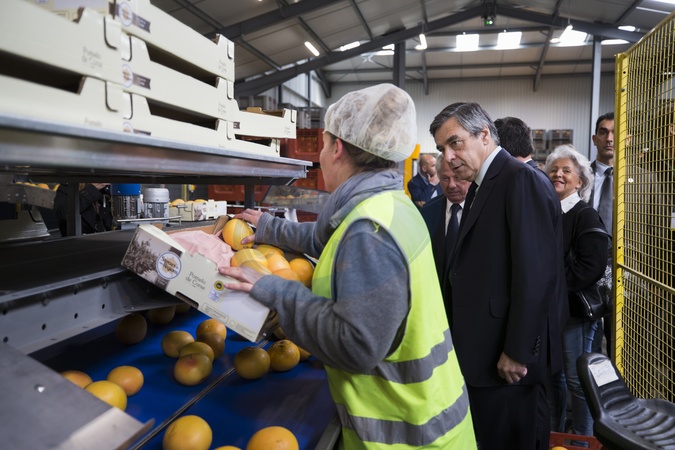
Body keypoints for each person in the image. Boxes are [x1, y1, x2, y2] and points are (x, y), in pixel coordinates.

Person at [219, 84, 477, 449]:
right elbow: (330, 237)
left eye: (324, 145)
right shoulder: (392, 205)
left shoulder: (370, 230)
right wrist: (269, 227)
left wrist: (277, 291)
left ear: (337, 148)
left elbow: (355, 344)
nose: (321, 155)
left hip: (407, 436)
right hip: (432, 415)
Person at [430, 102, 566, 450]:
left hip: (509, 365)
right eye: (442, 149)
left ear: (484, 135)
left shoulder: (520, 179)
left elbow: (535, 275)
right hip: (484, 355)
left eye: (455, 143)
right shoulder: (481, 185)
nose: (448, 157)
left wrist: (518, 351)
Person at [544, 144, 610, 440]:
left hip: (574, 314)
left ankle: (582, 439)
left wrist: (556, 289)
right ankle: (557, 436)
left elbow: (592, 266)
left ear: (580, 181)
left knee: (577, 380)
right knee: (554, 378)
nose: (558, 174)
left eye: (566, 171)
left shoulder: (584, 215)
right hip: (551, 312)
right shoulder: (547, 213)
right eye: (553, 170)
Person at [421, 153, 471, 287]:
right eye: (445, 178)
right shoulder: (427, 213)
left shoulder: (484, 211)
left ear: (469, 177)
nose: (451, 185)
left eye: (457, 177)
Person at [589, 112, 615, 358]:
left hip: (626, 275)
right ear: (594, 138)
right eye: (604, 132)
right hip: (587, 276)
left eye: (615, 132)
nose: (609, 138)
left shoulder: (644, 180)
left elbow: (655, 233)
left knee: (624, 349)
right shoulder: (579, 177)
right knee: (589, 347)